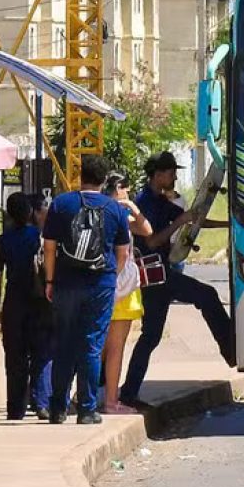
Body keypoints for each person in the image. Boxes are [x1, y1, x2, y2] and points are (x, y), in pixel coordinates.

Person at [119, 152, 235, 409]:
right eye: (171, 173)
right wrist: (179, 222)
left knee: (151, 336)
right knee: (207, 296)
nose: (174, 177)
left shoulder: (159, 199)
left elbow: (194, 217)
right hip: (155, 275)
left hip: (161, 274)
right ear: (158, 174)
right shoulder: (145, 201)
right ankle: (231, 350)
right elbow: (152, 240)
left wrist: (230, 224)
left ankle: (128, 392)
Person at [43, 155, 131, 425]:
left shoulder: (61, 204)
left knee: (64, 345)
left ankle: (58, 408)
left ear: (80, 176)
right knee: (91, 346)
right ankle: (87, 409)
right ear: (105, 180)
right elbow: (123, 253)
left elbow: (49, 247)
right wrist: (110, 277)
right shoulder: (114, 209)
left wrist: (50, 280)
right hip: (100, 285)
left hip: (65, 284)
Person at [0, 192, 53, 421]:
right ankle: (42, 403)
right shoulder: (39, 236)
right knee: (42, 352)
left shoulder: (3, 240)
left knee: (15, 357)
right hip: (40, 301)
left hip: (13, 301)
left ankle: (15, 408)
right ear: (30, 212)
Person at [101, 173, 152, 415]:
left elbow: (145, 228)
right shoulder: (119, 215)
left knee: (95, 348)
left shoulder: (97, 211)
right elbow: (146, 230)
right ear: (118, 189)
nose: (128, 196)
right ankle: (111, 401)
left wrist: (131, 207)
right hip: (119, 287)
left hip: (98, 285)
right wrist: (130, 207)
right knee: (115, 349)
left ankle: (85, 396)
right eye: (126, 191)